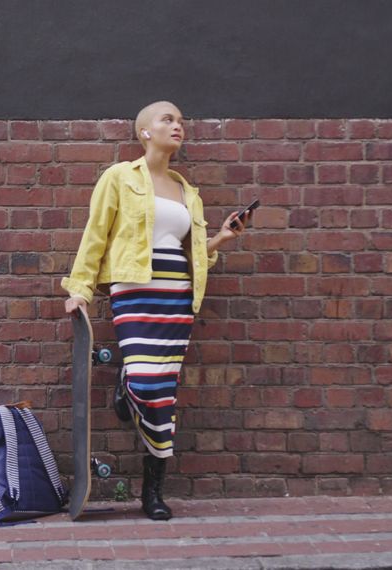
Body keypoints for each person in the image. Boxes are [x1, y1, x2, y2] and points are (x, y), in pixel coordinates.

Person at [61, 101, 251, 520]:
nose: (178, 126)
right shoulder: (119, 178)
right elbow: (95, 235)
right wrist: (81, 290)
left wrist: (220, 238)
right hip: (135, 291)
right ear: (144, 131)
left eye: (182, 121)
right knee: (148, 385)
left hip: (178, 296)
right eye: (168, 119)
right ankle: (129, 377)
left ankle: (153, 491)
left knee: (163, 394)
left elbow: (191, 252)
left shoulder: (188, 191)